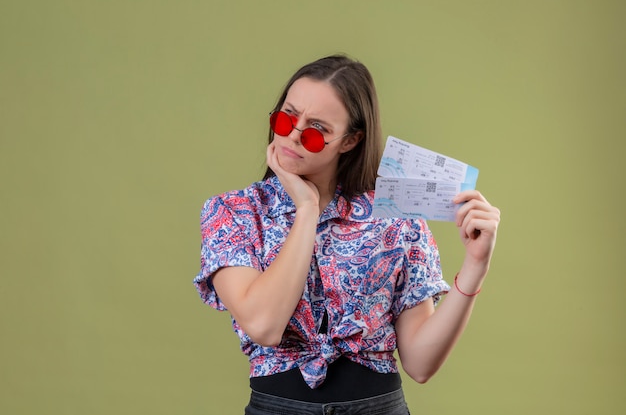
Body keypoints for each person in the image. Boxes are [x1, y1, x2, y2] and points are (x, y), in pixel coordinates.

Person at [193, 54, 500, 414]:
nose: (293, 135)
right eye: (286, 117)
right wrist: (307, 210)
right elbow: (264, 325)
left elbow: (420, 364)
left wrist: (476, 265)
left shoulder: (395, 216)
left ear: (350, 141)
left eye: (316, 130)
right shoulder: (234, 213)